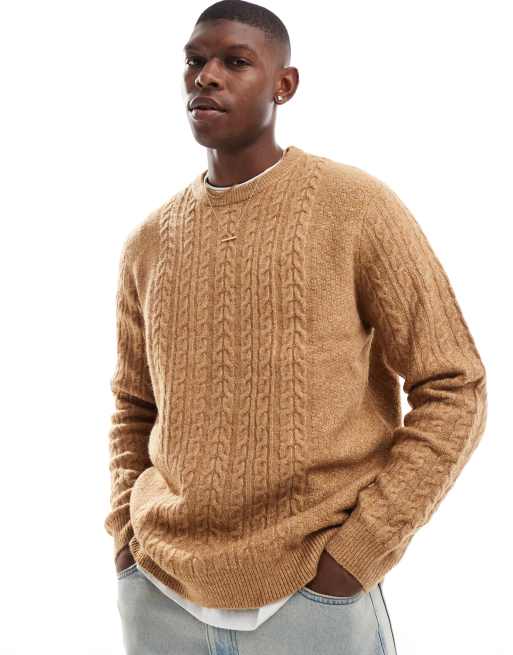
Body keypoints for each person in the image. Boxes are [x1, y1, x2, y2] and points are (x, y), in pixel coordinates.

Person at [104, 1, 488, 653]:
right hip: (161, 599)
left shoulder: (355, 208)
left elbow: (455, 384)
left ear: (284, 85)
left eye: (235, 62)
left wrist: (356, 554)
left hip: (311, 597)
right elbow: (134, 405)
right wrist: (125, 539)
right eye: (194, 62)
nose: (206, 76)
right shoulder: (149, 242)